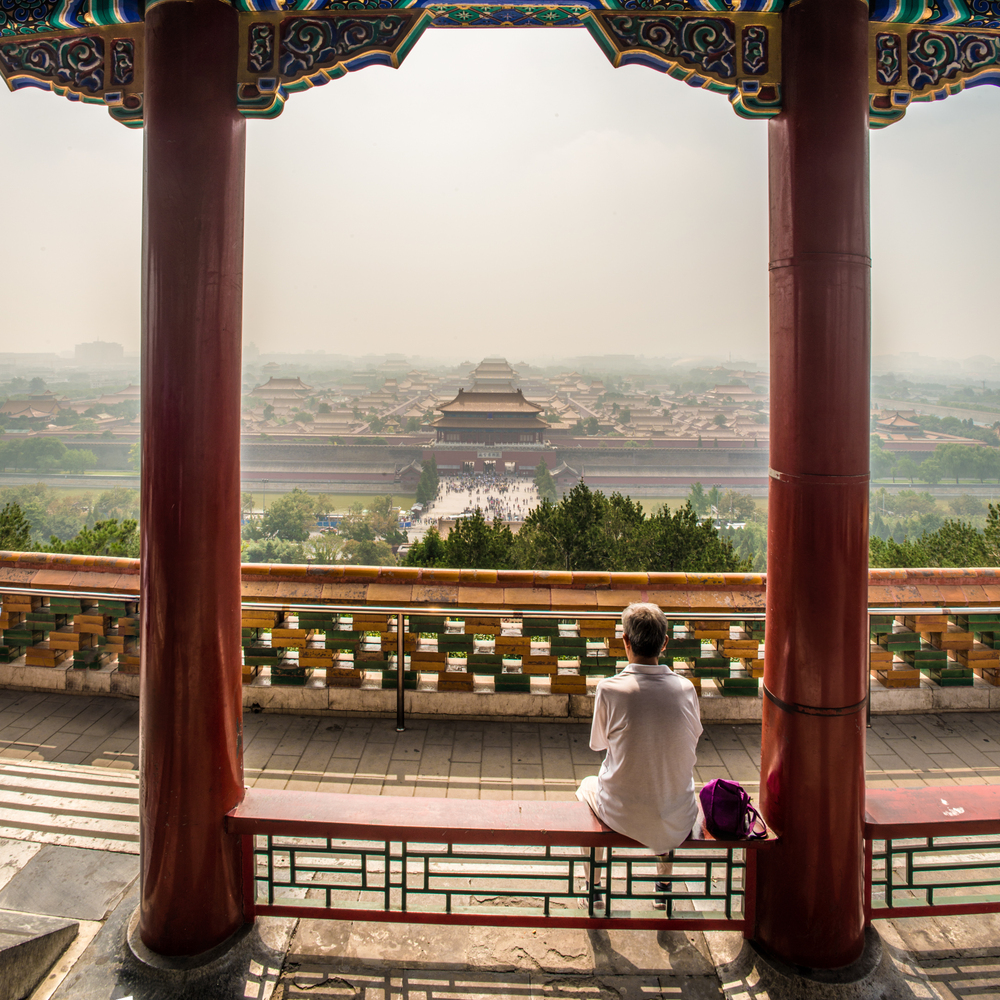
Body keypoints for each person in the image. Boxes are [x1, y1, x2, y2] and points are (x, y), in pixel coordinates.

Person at [576, 602, 703, 909]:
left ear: (625, 642)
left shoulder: (610, 689)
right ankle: (663, 884)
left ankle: (594, 885)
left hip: (621, 814)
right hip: (677, 817)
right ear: (664, 643)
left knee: (586, 787)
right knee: (668, 782)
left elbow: (599, 744)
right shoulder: (685, 689)